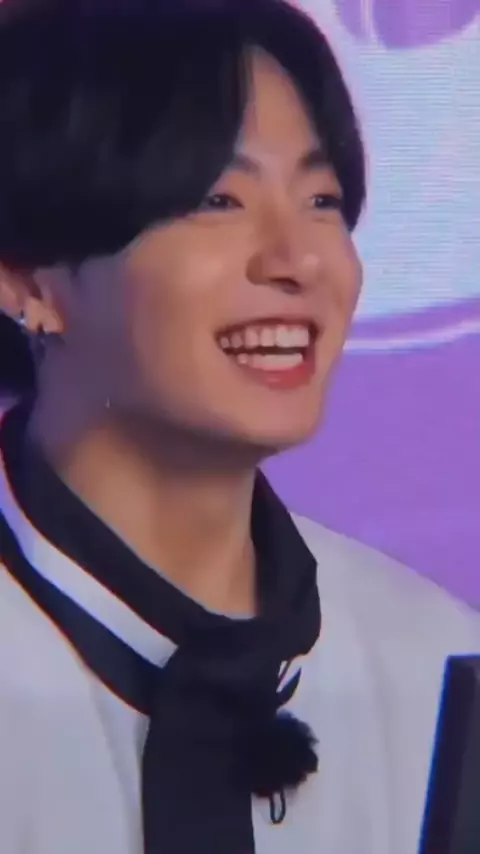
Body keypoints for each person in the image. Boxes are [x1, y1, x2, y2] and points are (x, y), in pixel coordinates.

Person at [0, 0, 478, 852]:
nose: (298, 261)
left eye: (323, 199)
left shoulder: (436, 661)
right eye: (218, 199)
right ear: (28, 281)